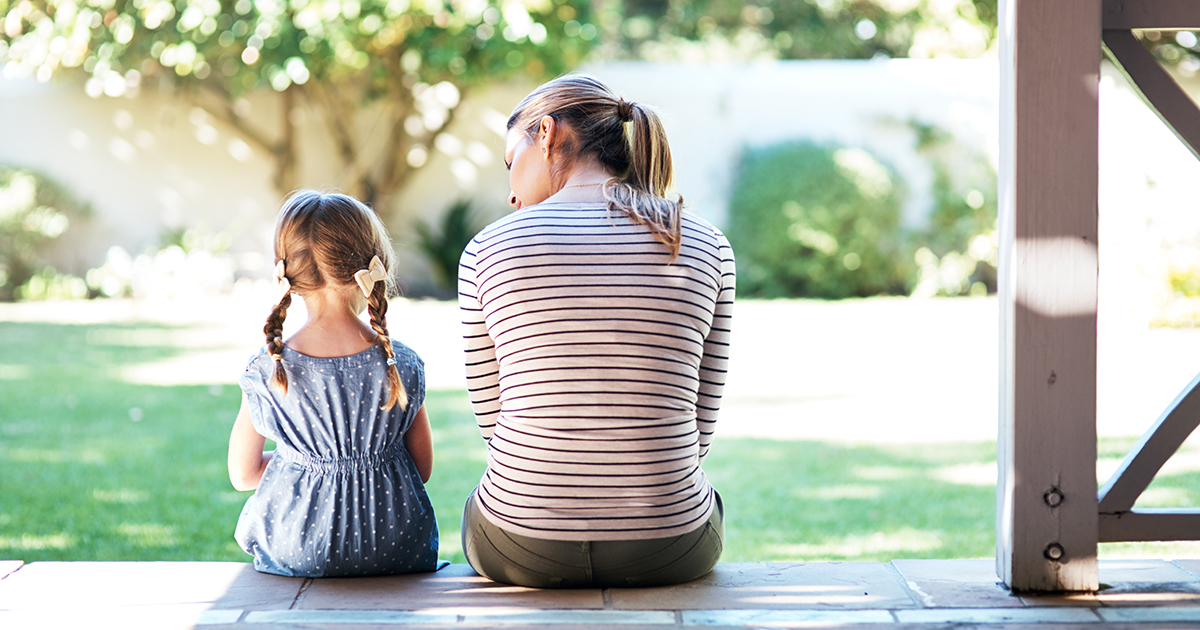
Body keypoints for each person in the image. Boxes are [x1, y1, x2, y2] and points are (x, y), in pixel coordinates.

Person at [457, 74, 736, 588]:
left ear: (545, 133)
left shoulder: (487, 249)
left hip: (520, 544)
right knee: (706, 499)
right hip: (670, 545)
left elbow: (494, 424)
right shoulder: (705, 243)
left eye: (509, 162)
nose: (511, 192)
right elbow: (700, 426)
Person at [228, 190, 442, 577]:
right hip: (395, 547)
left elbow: (242, 475)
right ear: (373, 265)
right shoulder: (402, 363)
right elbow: (422, 468)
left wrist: (306, 461)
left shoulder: (268, 368)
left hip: (298, 549)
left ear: (287, 275)